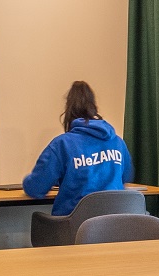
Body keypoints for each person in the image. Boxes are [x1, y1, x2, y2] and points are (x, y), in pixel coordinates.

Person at [23, 81, 132, 216]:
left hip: (74, 224)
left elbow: (35, 188)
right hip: (114, 223)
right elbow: (126, 176)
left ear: (68, 110)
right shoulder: (117, 142)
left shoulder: (62, 144)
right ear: (94, 107)